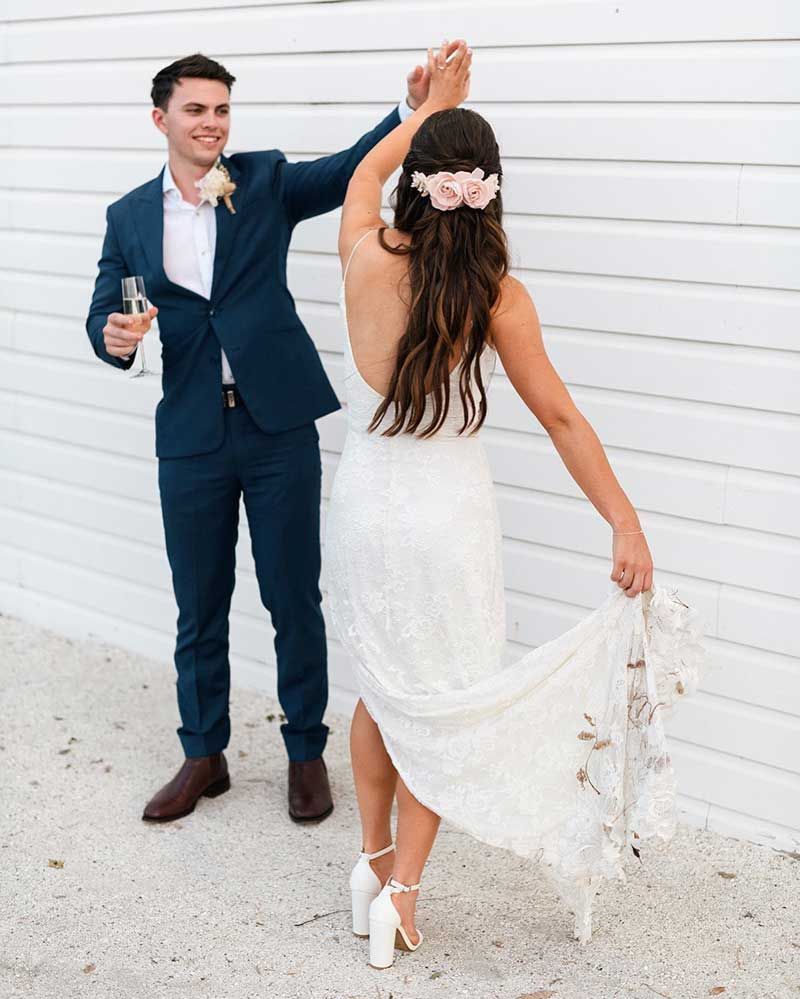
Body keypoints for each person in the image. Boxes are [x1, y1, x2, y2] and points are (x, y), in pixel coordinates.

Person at [325, 41, 705, 967]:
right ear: (490, 187)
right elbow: (564, 421)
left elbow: (369, 170)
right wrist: (625, 518)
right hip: (448, 510)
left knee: (383, 688)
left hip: (369, 498)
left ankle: (370, 864)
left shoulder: (362, 246)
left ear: (419, 181)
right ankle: (403, 898)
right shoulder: (499, 294)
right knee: (447, 702)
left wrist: (423, 108)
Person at [85, 49, 465, 825]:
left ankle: (303, 752)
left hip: (277, 425)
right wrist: (115, 335)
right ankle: (204, 752)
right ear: (162, 119)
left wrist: (408, 110)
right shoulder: (127, 216)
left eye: (222, 109)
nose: (212, 124)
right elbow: (101, 310)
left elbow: (346, 173)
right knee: (200, 602)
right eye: (196, 110)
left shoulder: (260, 180)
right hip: (190, 433)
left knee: (293, 594)